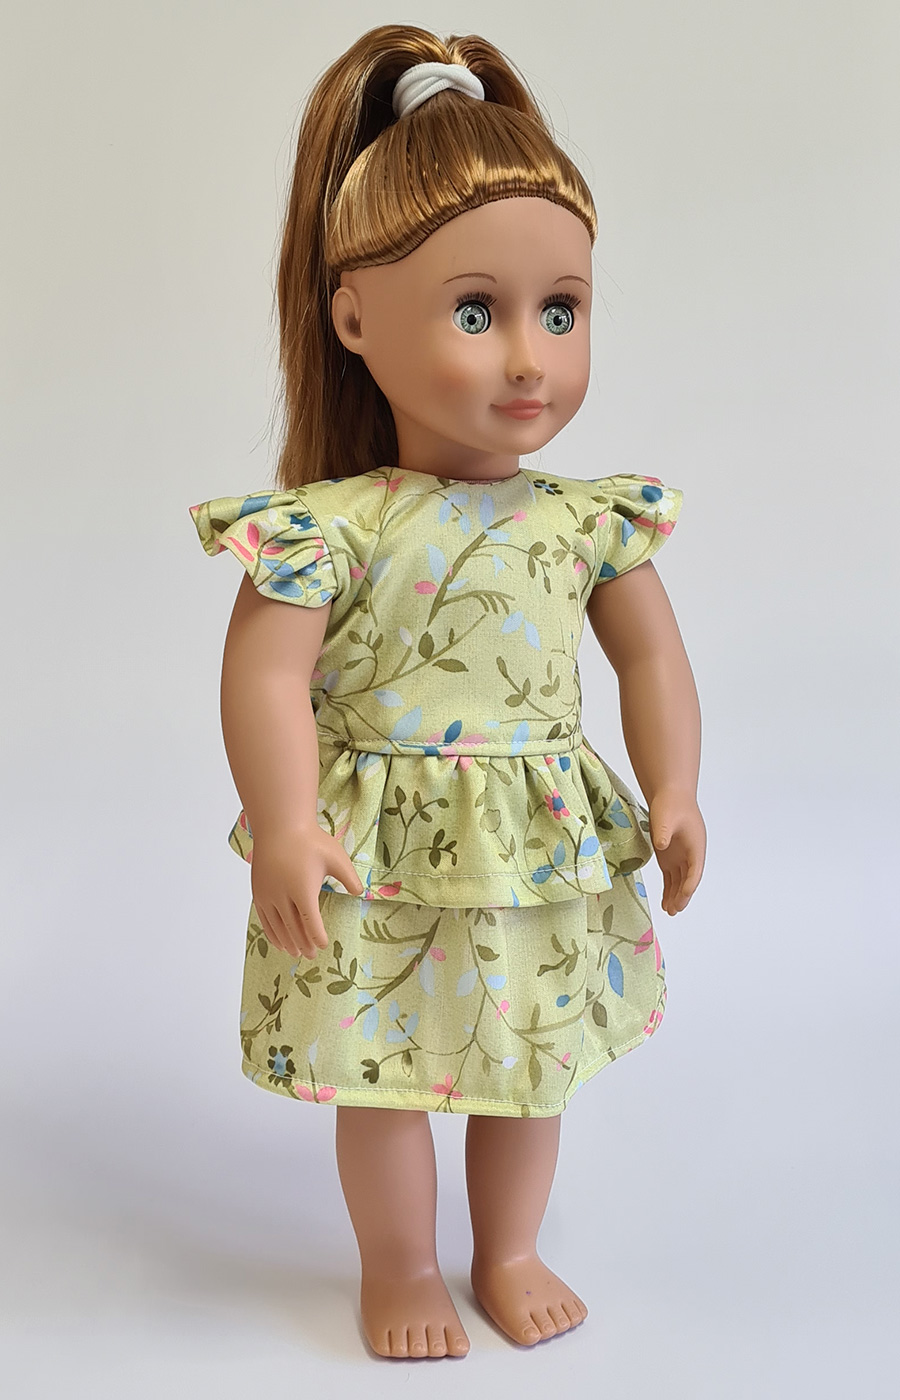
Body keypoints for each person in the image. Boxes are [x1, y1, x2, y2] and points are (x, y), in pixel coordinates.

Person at [189, 23, 706, 1361]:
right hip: (378, 852)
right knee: (387, 1069)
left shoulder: (585, 521)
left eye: (560, 310)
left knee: (527, 1064)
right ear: (355, 317)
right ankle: (404, 1264)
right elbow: (264, 671)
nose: (529, 357)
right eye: (477, 313)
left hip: (537, 848)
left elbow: (651, 657)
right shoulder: (335, 525)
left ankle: (511, 1248)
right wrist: (284, 819)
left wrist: (676, 788)